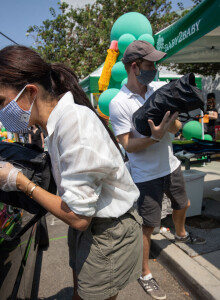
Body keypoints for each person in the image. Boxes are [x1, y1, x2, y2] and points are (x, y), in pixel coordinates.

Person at [0, 45, 143, 300]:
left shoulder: (74, 124)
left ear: (30, 92)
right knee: (80, 290)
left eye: (0, 101)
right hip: (90, 225)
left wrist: (22, 182)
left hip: (106, 230)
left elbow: (79, 217)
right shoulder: (55, 124)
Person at [109, 40, 206, 300]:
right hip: (145, 175)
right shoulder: (119, 103)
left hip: (170, 164)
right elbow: (128, 144)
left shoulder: (159, 89)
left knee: (183, 203)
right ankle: (145, 273)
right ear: (134, 66)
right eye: (150, 64)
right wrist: (154, 137)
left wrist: (172, 126)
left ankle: (181, 234)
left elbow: (175, 129)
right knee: (148, 226)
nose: (155, 68)